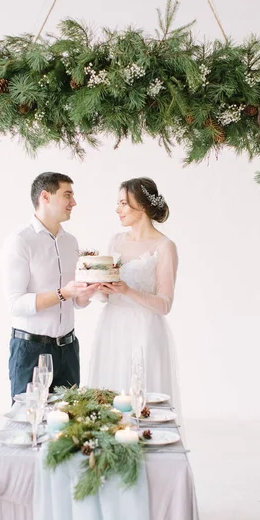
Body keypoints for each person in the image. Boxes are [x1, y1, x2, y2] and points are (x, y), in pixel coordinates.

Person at [87, 177, 182, 417]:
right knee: (109, 398)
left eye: (123, 203)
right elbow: (106, 295)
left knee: (142, 401)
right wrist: (97, 286)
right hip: (111, 327)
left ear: (141, 205)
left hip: (144, 331)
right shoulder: (116, 240)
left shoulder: (164, 246)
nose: (117, 209)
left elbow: (165, 305)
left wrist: (127, 290)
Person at [0, 172, 99, 399]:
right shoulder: (19, 241)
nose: (73, 203)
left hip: (69, 349)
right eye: (67, 195)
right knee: (30, 425)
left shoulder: (71, 241)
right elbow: (16, 303)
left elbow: (75, 302)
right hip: (31, 351)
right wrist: (63, 293)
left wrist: (87, 292)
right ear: (45, 196)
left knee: (69, 426)